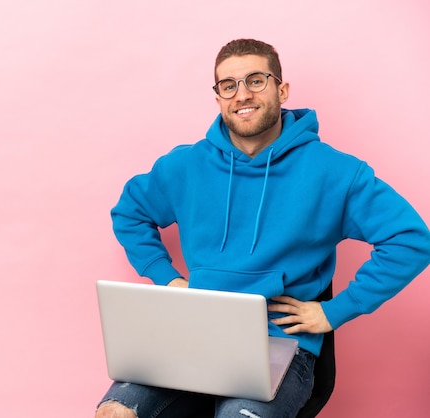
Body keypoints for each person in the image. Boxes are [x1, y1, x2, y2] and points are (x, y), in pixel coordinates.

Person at [95, 39, 430, 418]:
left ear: (281, 90)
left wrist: (336, 310)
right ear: (219, 98)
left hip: (278, 341)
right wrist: (167, 279)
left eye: (256, 80)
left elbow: (410, 239)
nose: (242, 94)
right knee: (115, 412)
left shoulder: (335, 172)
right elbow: (130, 212)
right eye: (229, 85)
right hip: (191, 333)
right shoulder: (186, 165)